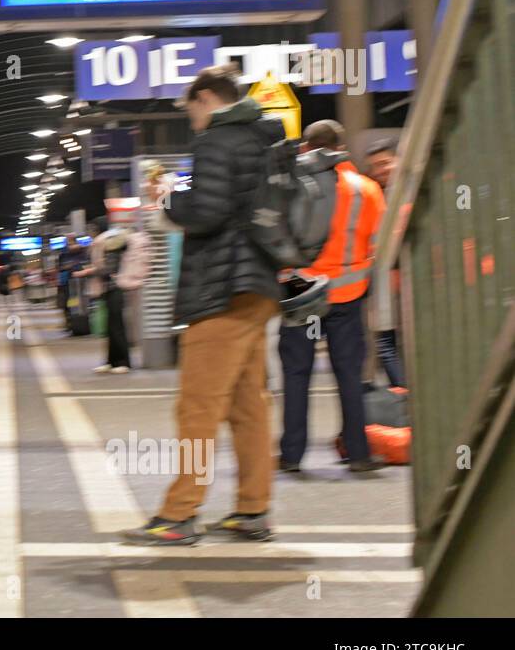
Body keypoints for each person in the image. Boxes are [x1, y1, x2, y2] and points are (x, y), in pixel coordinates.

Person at [122, 65, 284, 546]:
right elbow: (231, 205)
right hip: (256, 287)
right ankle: (253, 510)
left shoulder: (217, 139)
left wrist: (168, 202)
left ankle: (178, 514)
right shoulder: (262, 137)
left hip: (220, 290)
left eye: (189, 107)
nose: (190, 118)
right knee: (248, 405)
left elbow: (207, 213)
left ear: (206, 98)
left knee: (198, 406)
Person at [278, 120, 386, 474]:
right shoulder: (367, 189)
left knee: (296, 374)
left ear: (306, 147)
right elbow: (378, 243)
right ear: (341, 146)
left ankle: (292, 456)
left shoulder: (294, 186)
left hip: (302, 295)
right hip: (347, 296)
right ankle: (358, 453)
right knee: (349, 375)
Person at [364, 137, 407, 389]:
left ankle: (406, 401)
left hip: (403, 277)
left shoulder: (407, 192)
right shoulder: (374, 193)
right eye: (375, 166)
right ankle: (403, 399)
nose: (380, 171)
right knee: (386, 341)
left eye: (385, 163)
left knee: (389, 342)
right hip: (384, 279)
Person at [84, 217, 150, 373]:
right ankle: (111, 361)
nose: (91, 233)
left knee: (117, 325)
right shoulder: (108, 242)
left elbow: (110, 268)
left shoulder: (111, 243)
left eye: (92, 229)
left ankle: (124, 362)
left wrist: (90, 272)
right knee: (111, 326)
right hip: (110, 288)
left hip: (116, 288)